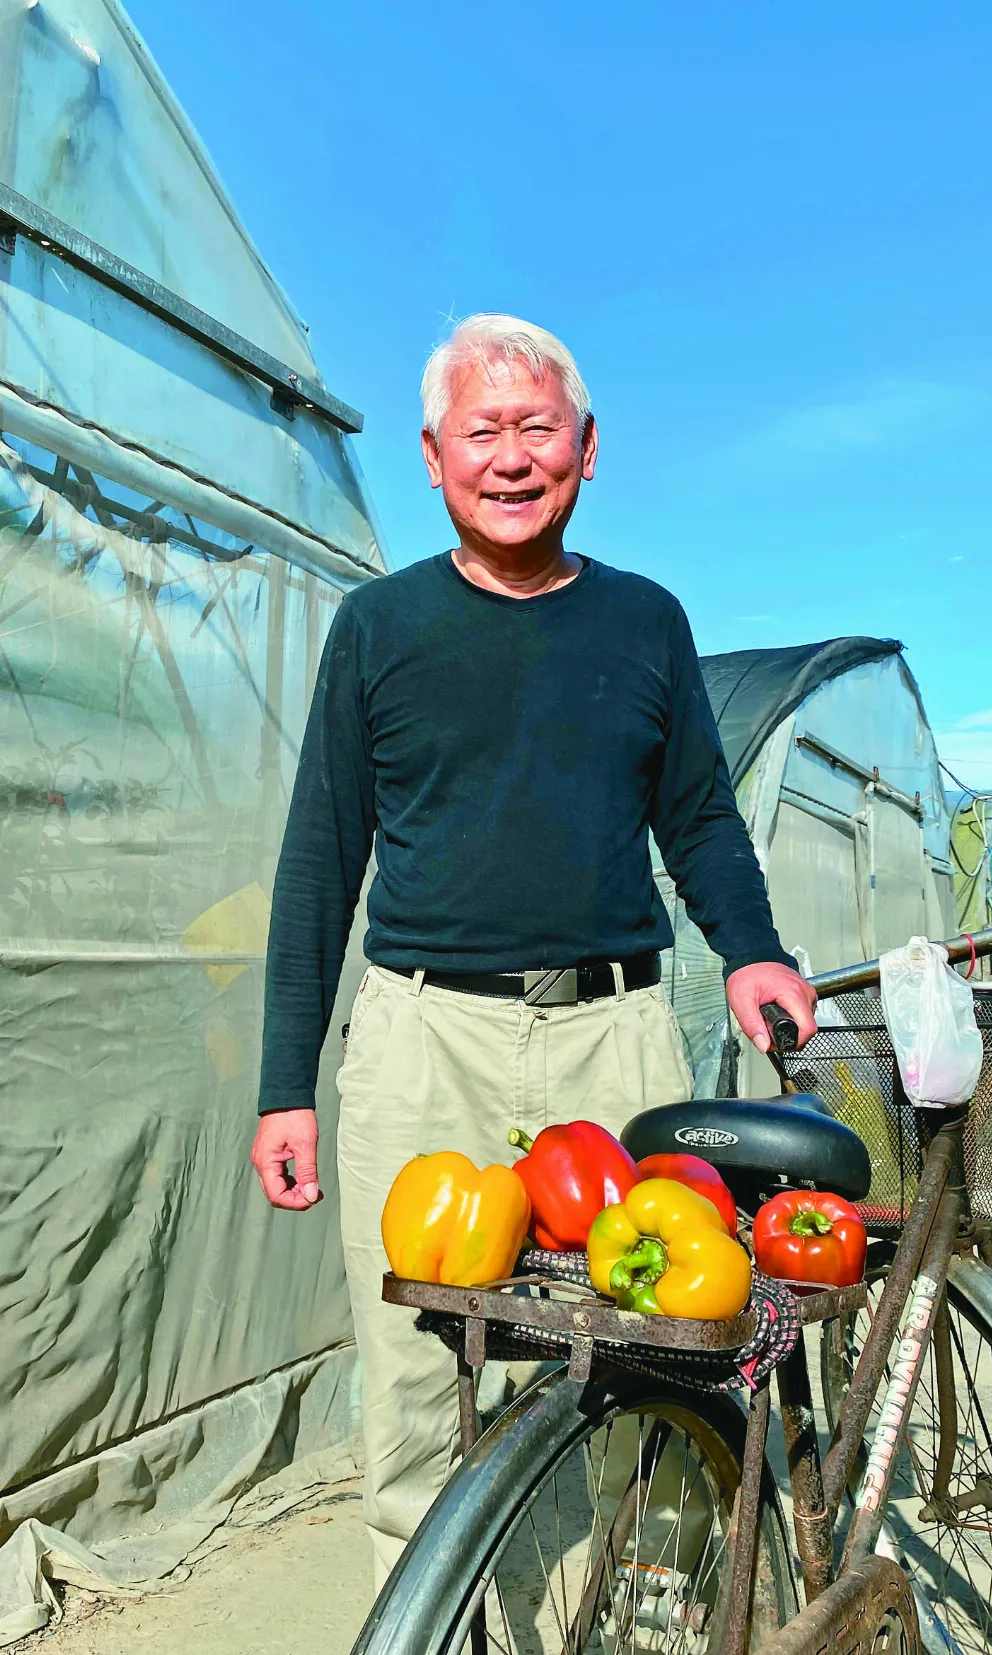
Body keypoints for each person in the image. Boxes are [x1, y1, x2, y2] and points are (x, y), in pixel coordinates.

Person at [250, 314, 816, 1587]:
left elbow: (703, 814)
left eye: (536, 428)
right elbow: (319, 859)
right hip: (419, 1037)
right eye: (481, 433)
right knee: (415, 1360)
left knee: (654, 1332)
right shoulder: (378, 627)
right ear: (435, 459)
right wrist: (288, 1079)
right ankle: (429, 1599)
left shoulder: (644, 620)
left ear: (588, 449)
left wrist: (753, 949)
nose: (511, 458)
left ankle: (650, 1590)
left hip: (612, 1032)